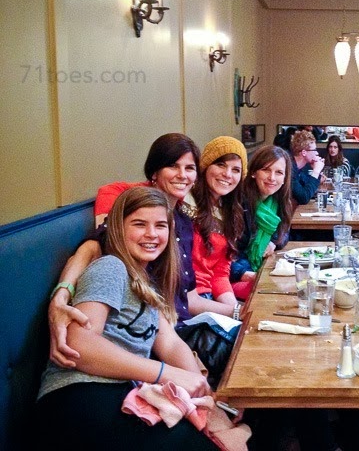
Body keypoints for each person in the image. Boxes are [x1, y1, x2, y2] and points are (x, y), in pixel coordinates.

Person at [35, 187, 215, 450]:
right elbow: (79, 344)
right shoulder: (111, 267)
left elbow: (170, 343)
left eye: (160, 225)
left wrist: (205, 393)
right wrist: (166, 374)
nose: (151, 234)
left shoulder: (146, 285)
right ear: (118, 229)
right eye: (139, 224)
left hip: (118, 395)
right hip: (77, 395)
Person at [48, 133, 201, 368]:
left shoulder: (185, 222)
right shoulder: (131, 211)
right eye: (173, 166)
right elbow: (91, 249)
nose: (182, 175)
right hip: (151, 339)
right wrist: (61, 296)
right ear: (154, 172)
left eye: (189, 168)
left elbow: (187, 299)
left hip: (173, 329)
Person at [189, 136, 247, 317]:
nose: (228, 174)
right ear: (205, 166)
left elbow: (220, 274)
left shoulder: (229, 212)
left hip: (210, 300)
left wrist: (236, 312)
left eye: (236, 170)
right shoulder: (184, 203)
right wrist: (236, 312)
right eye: (221, 165)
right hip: (185, 304)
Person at [230, 145, 292, 299]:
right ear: (253, 173)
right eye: (266, 170)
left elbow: (284, 232)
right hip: (232, 277)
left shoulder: (277, 202)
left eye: (279, 172)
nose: (272, 178)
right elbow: (223, 254)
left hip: (256, 270)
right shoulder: (237, 203)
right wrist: (243, 273)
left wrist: (273, 242)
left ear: (285, 178)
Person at [289, 129, 325, 205]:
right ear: (304, 152)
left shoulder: (298, 168)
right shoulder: (289, 169)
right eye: (314, 150)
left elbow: (306, 184)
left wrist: (317, 173)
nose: (317, 153)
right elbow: (304, 198)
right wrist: (316, 171)